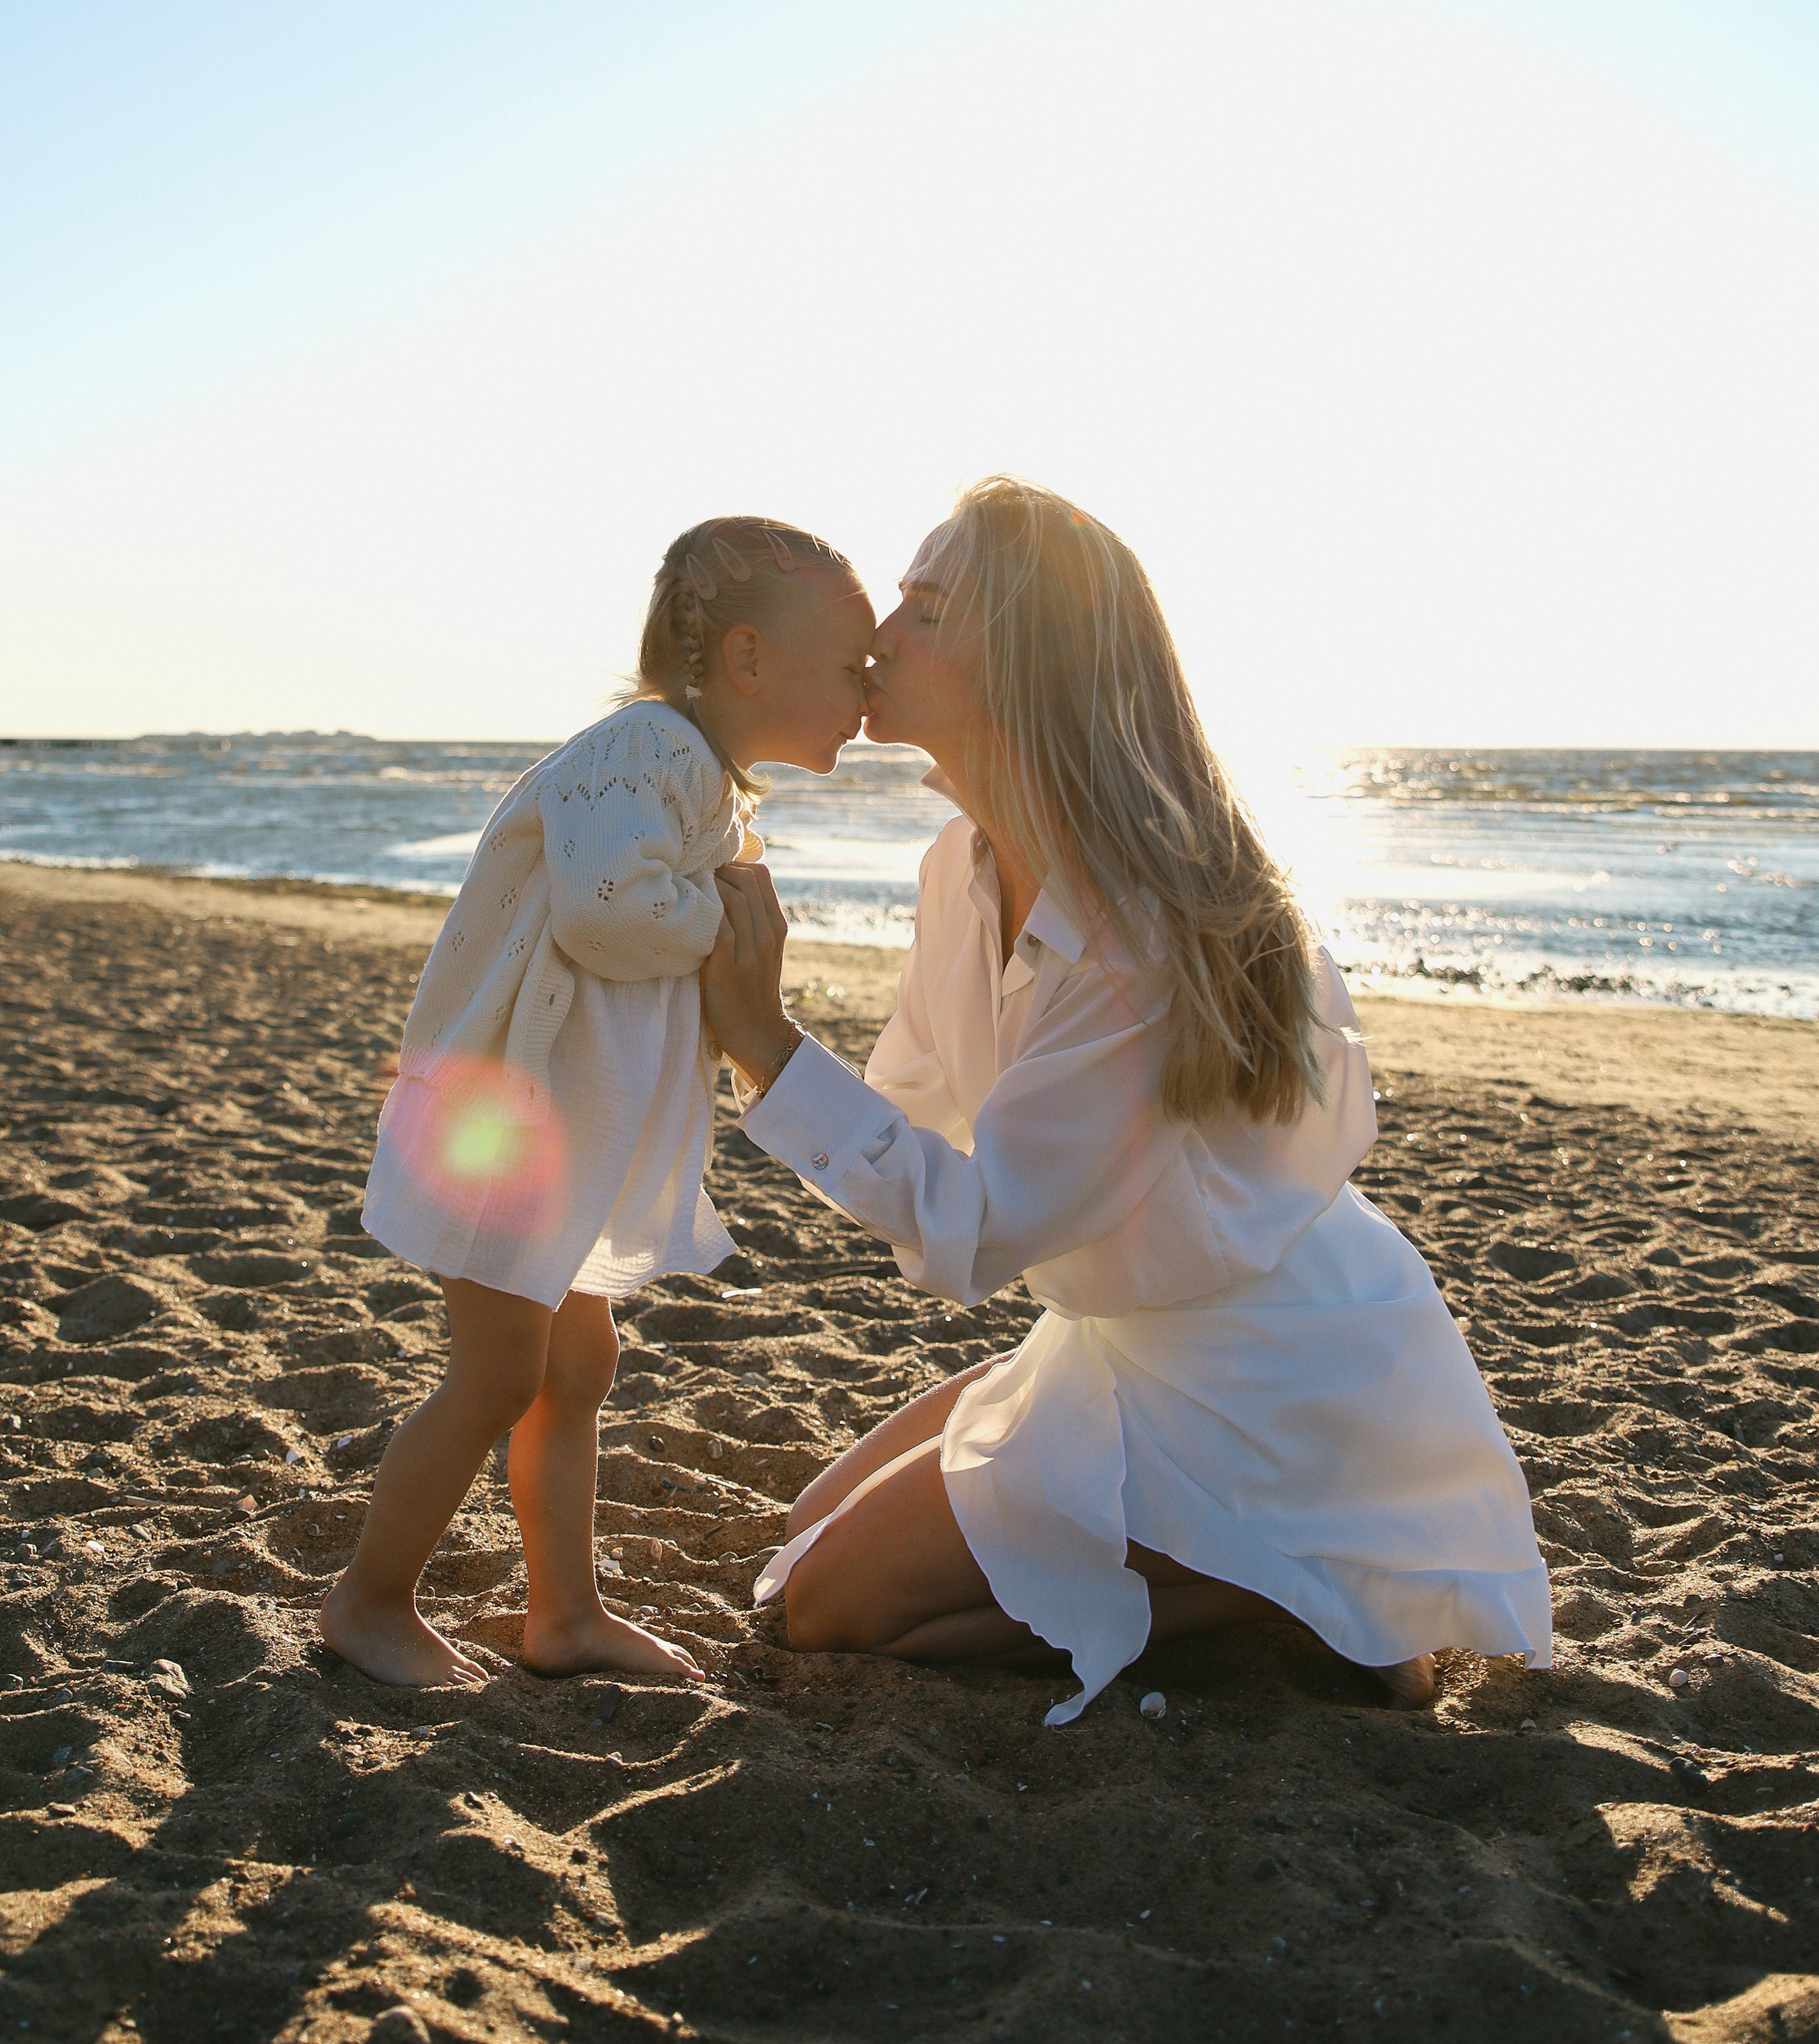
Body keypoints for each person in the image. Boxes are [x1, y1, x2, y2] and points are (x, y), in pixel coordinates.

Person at [703, 478, 1550, 1725]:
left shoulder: (1135, 930)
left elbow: (978, 1228)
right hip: (1127, 1341)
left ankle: (1300, 1587)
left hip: (1272, 1382)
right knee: (806, 1536)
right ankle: (1271, 1578)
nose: (879, 634)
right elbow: (911, 1112)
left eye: (926, 608)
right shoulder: (960, 866)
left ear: (1026, 663)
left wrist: (769, 1047)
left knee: (833, 1607)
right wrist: (704, 1009)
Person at [322, 517, 874, 1687]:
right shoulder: (646, 749)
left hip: (557, 1135)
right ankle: (368, 1600)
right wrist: (730, 933)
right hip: (502, 1123)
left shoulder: (697, 774)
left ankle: (564, 1617)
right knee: (497, 1373)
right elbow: (608, 906)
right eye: (849, 665)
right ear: (747, 657)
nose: (866, 697)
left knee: (577, 1366)